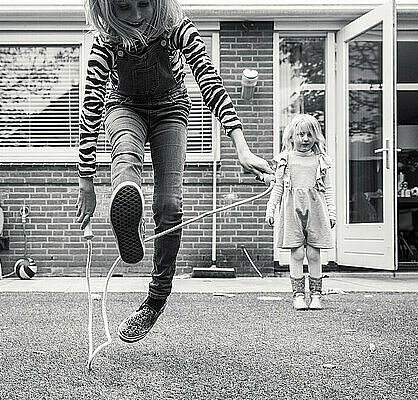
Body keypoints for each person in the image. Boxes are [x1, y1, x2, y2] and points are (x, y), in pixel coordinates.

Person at [76, 0, 273, 343]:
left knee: (168, 205)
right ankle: (127, 204)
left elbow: (209, 80)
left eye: (144, 5)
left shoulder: (177, 26)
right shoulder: (105, 40)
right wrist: (86, 179)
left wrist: (240, 145)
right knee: (125, 155)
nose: (137, 16)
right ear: (107, 10)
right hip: (124, 106)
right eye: (124, 8)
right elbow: (92, 103)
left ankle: (155, 299)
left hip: (171, 109)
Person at [265, 114, 336, 310]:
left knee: (314, 254)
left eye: (309, 135)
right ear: (292, 136)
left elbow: (327, 189)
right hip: (291, 211)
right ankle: (297, 295)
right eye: (301, 134)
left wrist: (332, 213)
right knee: (296, 253)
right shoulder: (285, 160)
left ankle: (316, 295)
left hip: (316, 211)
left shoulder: (320, 160)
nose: (305, 139)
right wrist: (270, 209)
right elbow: (278, 187)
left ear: (316, 137)